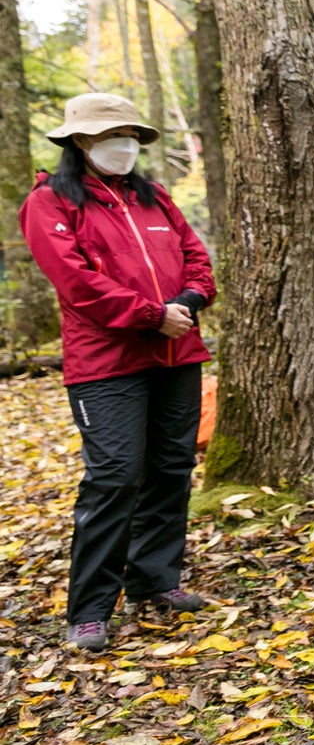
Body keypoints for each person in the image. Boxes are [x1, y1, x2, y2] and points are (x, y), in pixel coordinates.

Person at [18, 93, 216, 653]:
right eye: (112, 135)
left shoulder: (156, 199)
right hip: (105, 367)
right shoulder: (51, 203)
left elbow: (196, 258)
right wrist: (153, 315)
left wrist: (191, 299)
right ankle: (90, 609)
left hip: (178, 355)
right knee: (114, 478)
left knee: (171, 468)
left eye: (130, 135)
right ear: (80, 142)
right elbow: (76, 283)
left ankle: (156, 580)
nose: (124, 145)